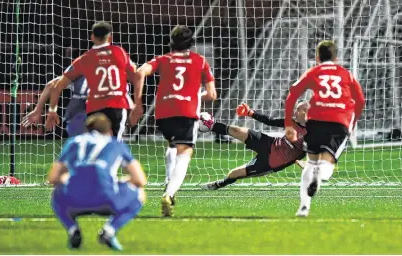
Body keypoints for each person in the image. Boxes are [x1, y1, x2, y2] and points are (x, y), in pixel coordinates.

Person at [135, 25, 217, 217]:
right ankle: (169, 194)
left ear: (171, 42)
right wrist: (194, 96)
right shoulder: (200, 61)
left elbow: (140, 72)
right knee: (185, 152)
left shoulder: (163, 59)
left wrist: (138, 104)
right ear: (191, 43)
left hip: (163, 113)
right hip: (186, 112)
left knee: (172, 145)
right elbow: (212, 94)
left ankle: (167, 181)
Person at [284, 40, 365, 217]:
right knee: (326, 164)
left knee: (311, 163)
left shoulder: (314, 72)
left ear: (317, 57)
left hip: (316, 121)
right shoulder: (346, 74)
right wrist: (352, 123)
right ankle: (318, 177)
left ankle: (304, 207)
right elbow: (360, 100)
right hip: (339, 122)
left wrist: (289, 125)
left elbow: (292, 95)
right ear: (336, 58)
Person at [48, 113, 146, 250]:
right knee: (139, 193)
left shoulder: (73, 142)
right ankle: (109, 231)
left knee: (56, 192)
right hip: (106, 200)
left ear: (86, 130)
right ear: (110, 131)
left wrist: (67, 178)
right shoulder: (115, 143)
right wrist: (119, 181)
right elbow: (140, 179)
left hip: (75, 201)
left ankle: (73, 230)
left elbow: (53, 178)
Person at [45, 21, 142, 140]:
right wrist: (137, 103)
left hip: (95, 107)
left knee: (94, 144)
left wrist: (52, 110)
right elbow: (135, 75)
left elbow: (57, 86)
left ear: (92, 37)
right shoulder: (119, 52)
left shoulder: (85, 58)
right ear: (110, 37)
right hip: (117, 105)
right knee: (114, 145)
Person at [202, 102, 309, 190]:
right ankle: (211, 125)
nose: (295, 112)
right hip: (269, 143)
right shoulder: (291, 122)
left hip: (271, 162)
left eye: (298, 110)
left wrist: (308, 163)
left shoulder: (312, 134)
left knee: (234, 173)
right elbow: (270, 121)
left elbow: (315, 152)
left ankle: (219, 184)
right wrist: (250, 113)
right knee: (237, 130)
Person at [22, 66, 88, 137]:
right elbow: (52, 85)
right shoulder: (82, 68)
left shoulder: (80, 66)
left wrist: (38, 110)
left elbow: (51, 85)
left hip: (81, 111)